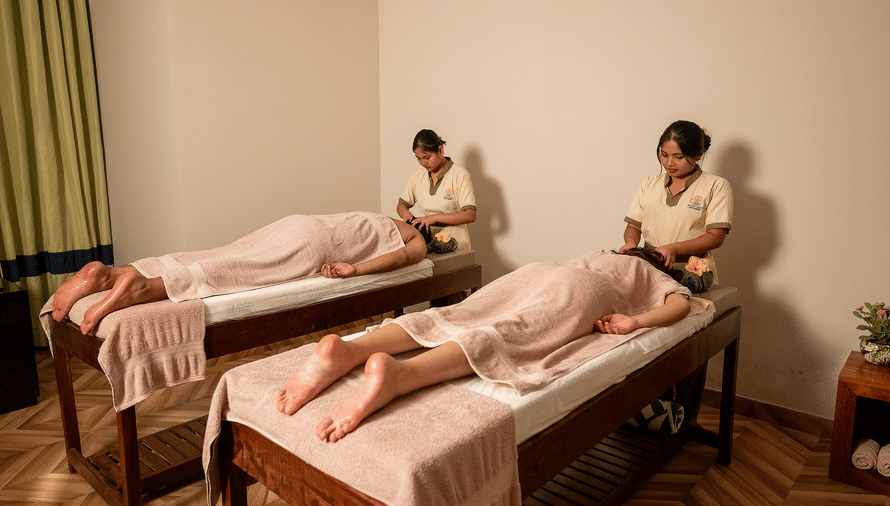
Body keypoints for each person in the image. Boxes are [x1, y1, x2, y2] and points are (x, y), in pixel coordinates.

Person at [276, 247, 701, 443]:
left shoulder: (603, 253)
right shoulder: (646, 271)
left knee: (463, 313)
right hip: (582, 291)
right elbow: (682, 304)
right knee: (509, 333)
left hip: (541, 269)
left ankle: (348, 350)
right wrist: (635, 320)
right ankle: (400, 375)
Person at [50, 212, 427, 335]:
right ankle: (143, 287)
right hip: (316, 249)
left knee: (222, 255)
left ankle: (116, 273)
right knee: (233, 271)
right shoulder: (414, 237)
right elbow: (398, 261)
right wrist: (354, 269)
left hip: (301, 223)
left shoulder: (378, 216)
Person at [619, 120, 733, 293]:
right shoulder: (648, 185)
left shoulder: (716, 186)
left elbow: (716, 237)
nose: (669, 163)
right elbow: (633, 226)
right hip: (651, 266)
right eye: (664, 155)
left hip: (693, 269)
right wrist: (630, 243)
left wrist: (673, 248)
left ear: (699, 154)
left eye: (679, 157)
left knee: (678, 298)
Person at [396, 129, 477, 253]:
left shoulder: (460, 175)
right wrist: (408, 216)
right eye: (418, 158)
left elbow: (470, 215)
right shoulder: (418, 176)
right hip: (426, 241)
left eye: (427, 157)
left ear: (440, 150)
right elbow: (402, 205)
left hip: (455, 243)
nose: (423, 163)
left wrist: (433, 218)